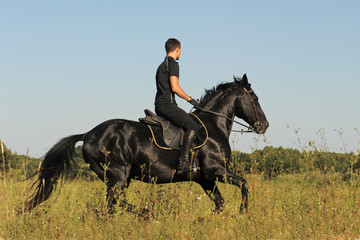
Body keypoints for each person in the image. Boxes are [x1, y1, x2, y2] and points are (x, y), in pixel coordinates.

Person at [154, 38, 201, 174]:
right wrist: (190, 99)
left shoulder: (161, 65)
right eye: (181, 50)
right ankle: (184, 163)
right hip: (167, 105)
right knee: (193, 126)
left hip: (160, 104)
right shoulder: (173, 64)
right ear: (177, 49)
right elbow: (175, 87)